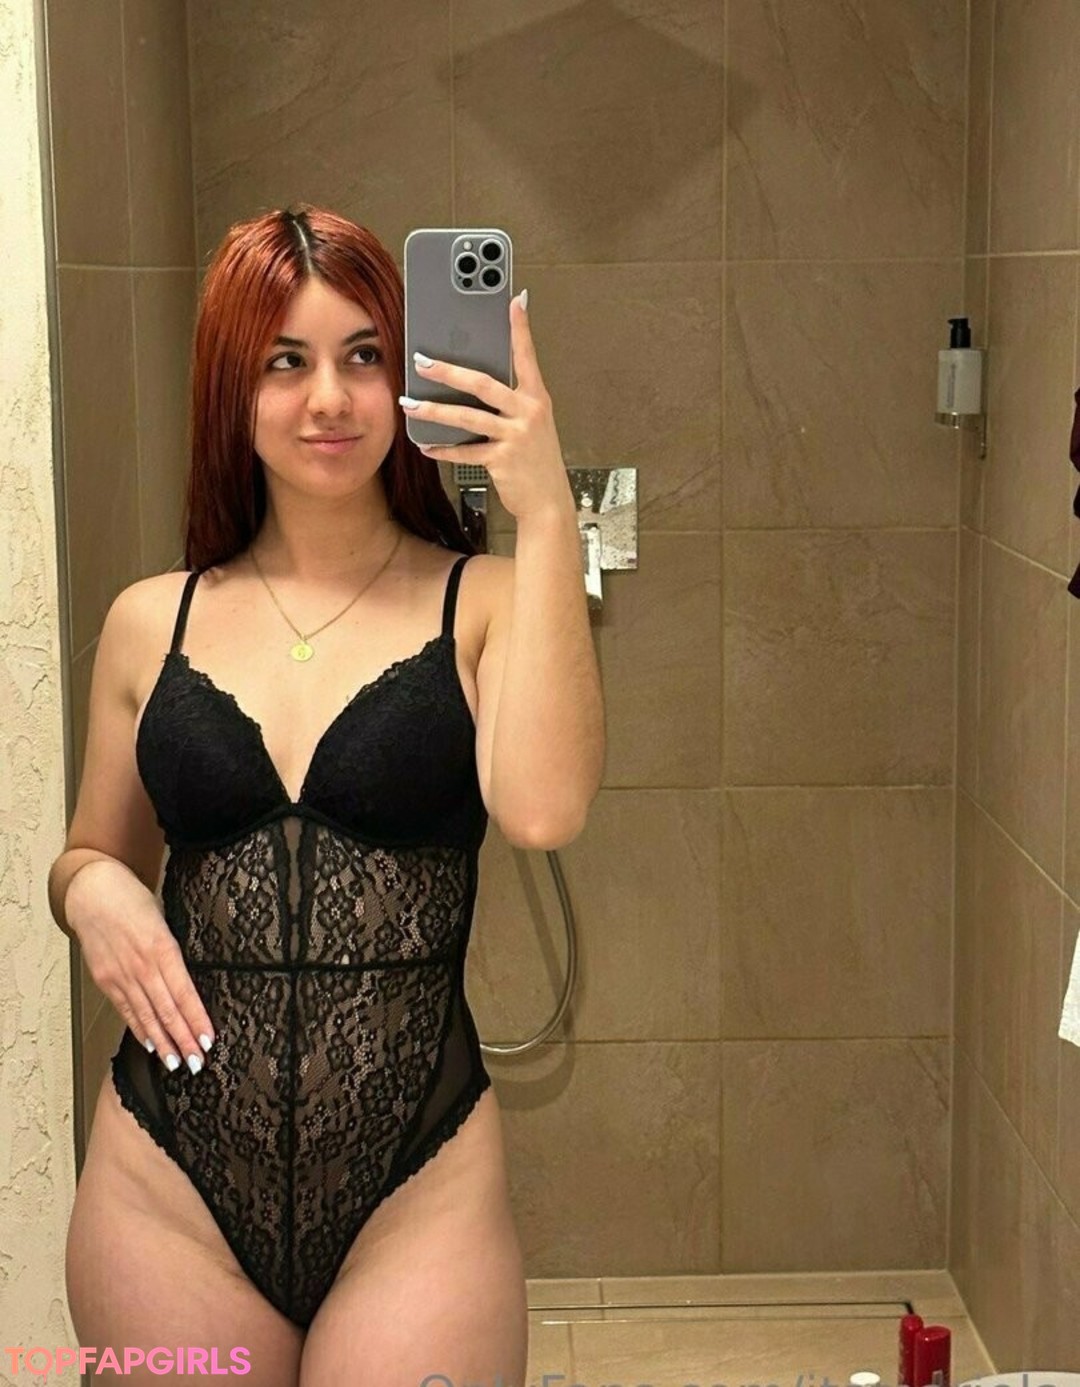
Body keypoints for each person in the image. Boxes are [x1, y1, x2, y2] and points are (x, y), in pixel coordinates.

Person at [47, 204, 604, 1385]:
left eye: (363, 355)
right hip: (168, 1182)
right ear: (230, 389)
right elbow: (91, 851)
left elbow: (544, 811)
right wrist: (92, 895)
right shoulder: (151, 622)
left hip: (418, 1185)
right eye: (284, 362)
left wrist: (548, 506)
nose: (331, 399)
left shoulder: (487, 600)